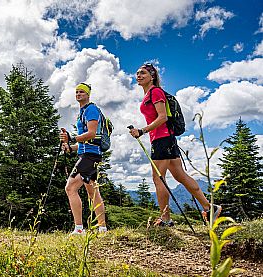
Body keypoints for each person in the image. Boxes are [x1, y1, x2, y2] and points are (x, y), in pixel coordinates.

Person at [129, 63, 221, 226]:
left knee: (159, 179)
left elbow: (163, 117)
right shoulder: (149, 94)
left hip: (161, 140)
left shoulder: (155, 92)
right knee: (180, 176)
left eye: (143, 73)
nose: (139, 75)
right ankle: (210, 208)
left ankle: (165, 219)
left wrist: (142, 131)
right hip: (167, 139)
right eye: (137, 73)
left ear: (152, 76)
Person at [60, 82, 107, 235]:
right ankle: (102, 228)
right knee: (92, 191)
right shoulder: (83, 111)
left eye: (82, 92)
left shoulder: (91, 109)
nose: (79, 94)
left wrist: (71, 138)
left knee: (70, 187)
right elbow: (84, 141)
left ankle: (79, 229)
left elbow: (92, 134)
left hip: (90, 155)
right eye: (77, 92)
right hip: (88, 153)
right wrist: (70, 147)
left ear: (88, 94)